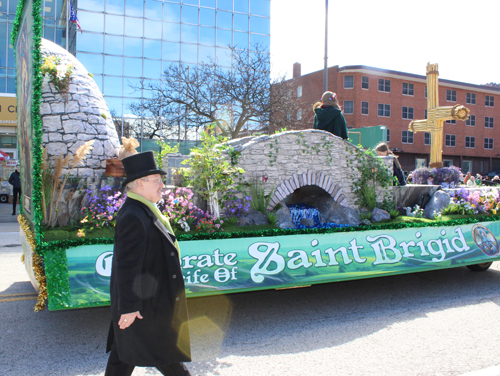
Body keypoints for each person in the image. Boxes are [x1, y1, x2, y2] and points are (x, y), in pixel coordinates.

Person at [105, 151, 191, 376]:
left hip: (148, 304)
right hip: (145, 307)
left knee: (124, 354)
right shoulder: (134, 215)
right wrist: (130, 307)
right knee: (162, 356)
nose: (162, 184)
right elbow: (126, 266)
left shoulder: (144, 209)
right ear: (139, 184)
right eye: (157, 180)